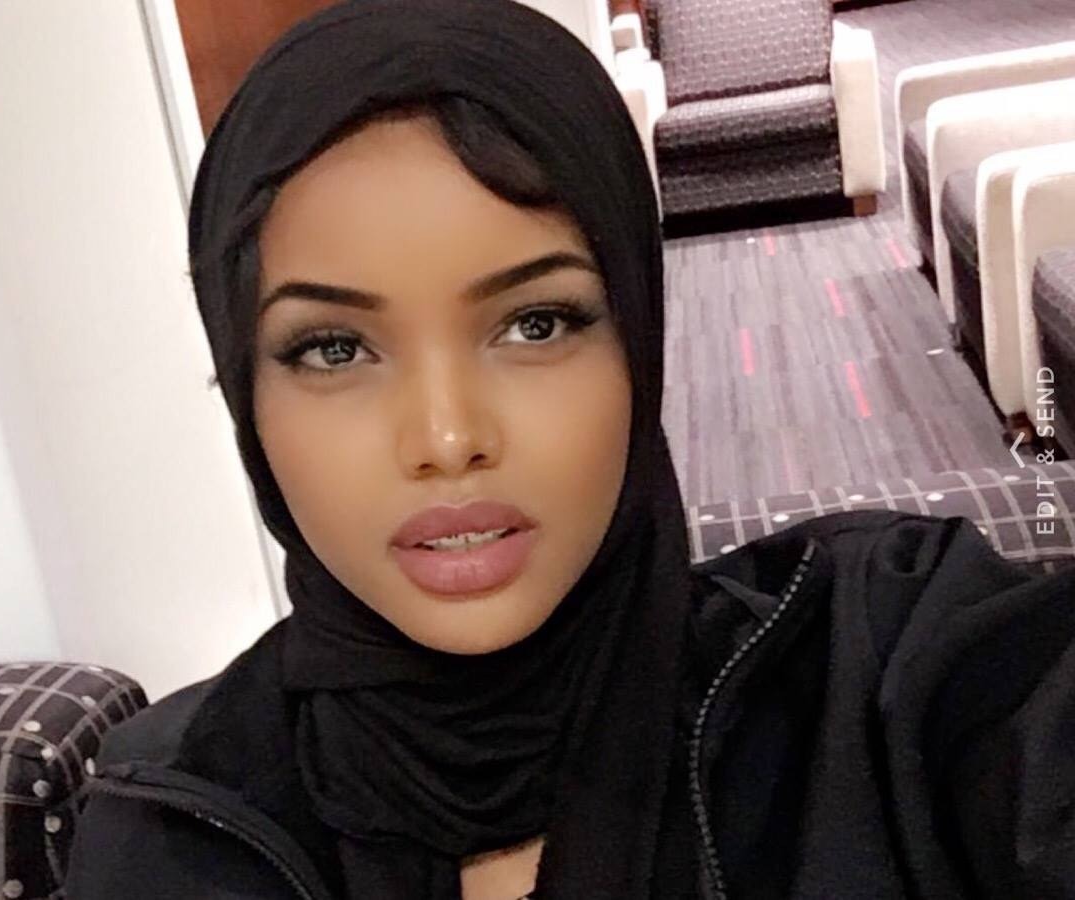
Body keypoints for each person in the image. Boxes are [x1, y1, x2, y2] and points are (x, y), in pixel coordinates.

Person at [63, 1, 1075, 897]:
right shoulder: (171, 827)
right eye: (333, 348)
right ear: (248, 393)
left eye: (534, 324)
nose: (448, 438)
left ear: (636, 339)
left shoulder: (880, 664)